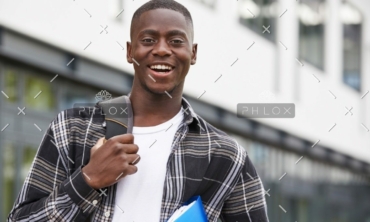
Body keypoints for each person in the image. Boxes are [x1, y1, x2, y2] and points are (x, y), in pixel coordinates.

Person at [8, 0, 269, 221]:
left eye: (176, 40)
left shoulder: (227, 156)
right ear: (130, 51)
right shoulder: (72, 128)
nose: (162, 50)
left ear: (193, 53)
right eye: (148, 40)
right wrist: (88, 180)